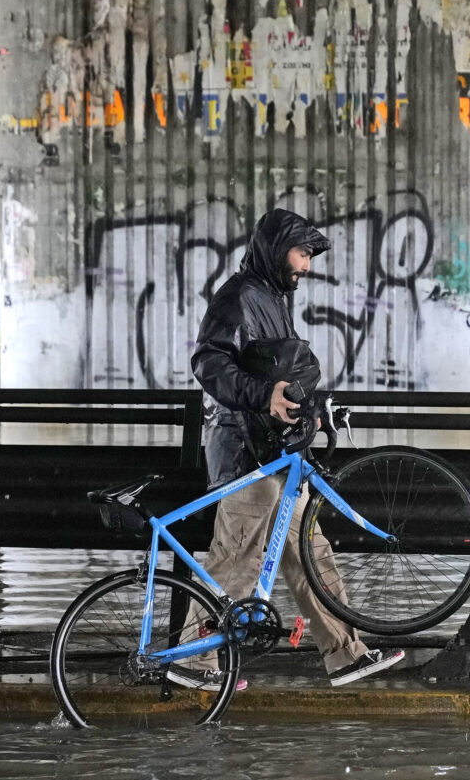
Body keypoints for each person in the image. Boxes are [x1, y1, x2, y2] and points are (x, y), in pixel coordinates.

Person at [172, 208, 404, 689]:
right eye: (302, 254)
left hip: (278, 454)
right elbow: (209, 362)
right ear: (276, 250)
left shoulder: (272, 298)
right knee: (237, 558)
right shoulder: (238, 297)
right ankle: (191, 662)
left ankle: (347, 654)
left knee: (313, 553)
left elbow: (279, 373)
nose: (307, 265)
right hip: (245, 458)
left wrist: (315, 405)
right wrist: (264, 397)